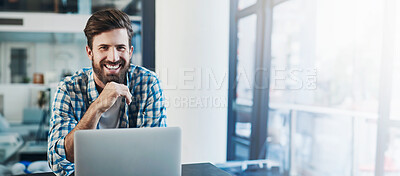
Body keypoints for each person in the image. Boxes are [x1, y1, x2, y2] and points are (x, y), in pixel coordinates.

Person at [47, 9, 167, 176]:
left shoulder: (148, 84)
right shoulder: (68, 89)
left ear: (130, 51)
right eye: (104, 48)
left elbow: (156, 156)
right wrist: (97, 107)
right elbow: (58, 163)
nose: (113, 57)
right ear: (90, 52)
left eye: (120, 48)